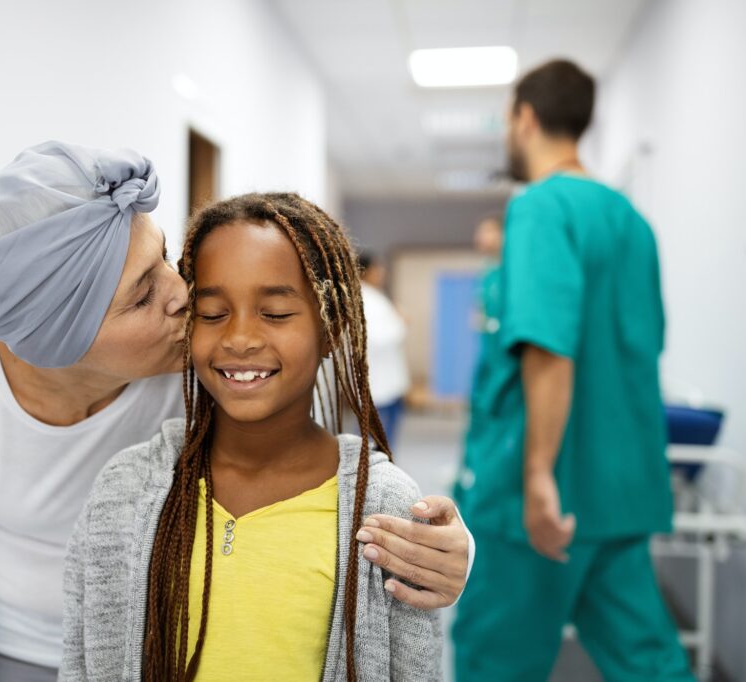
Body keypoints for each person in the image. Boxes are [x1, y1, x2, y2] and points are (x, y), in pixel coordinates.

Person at [0, 141, 472, 680]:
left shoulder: (208, 371)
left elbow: (317, 484)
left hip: (152, 650)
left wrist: (444, 544)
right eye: (142, 297)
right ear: (60, 340)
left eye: (163, 258)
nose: (184, 295)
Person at [62, 193, 443, 681]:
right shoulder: (125, 489)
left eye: (276, 314)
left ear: (332, 329)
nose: (239, 338)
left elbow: (413, 668)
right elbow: (80, 661)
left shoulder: (381, 507)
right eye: (213, 313)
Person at [452, 60, 694, 681]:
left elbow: (548, 347)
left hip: (537, 496)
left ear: (526, 118)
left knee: (494, 658)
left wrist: (537, 475)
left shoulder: (539, 209)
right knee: (648, 661)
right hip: (619, 490)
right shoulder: (632, 224)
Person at [358, 251, 411, 446]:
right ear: (367, 271)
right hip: (378, 382)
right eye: (378, 269)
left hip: (385, 381)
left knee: (380, 434)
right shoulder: (365, 300)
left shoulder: (375, 297)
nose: (382, 273)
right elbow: (377, 338)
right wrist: (401, 322)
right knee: (375, 437)